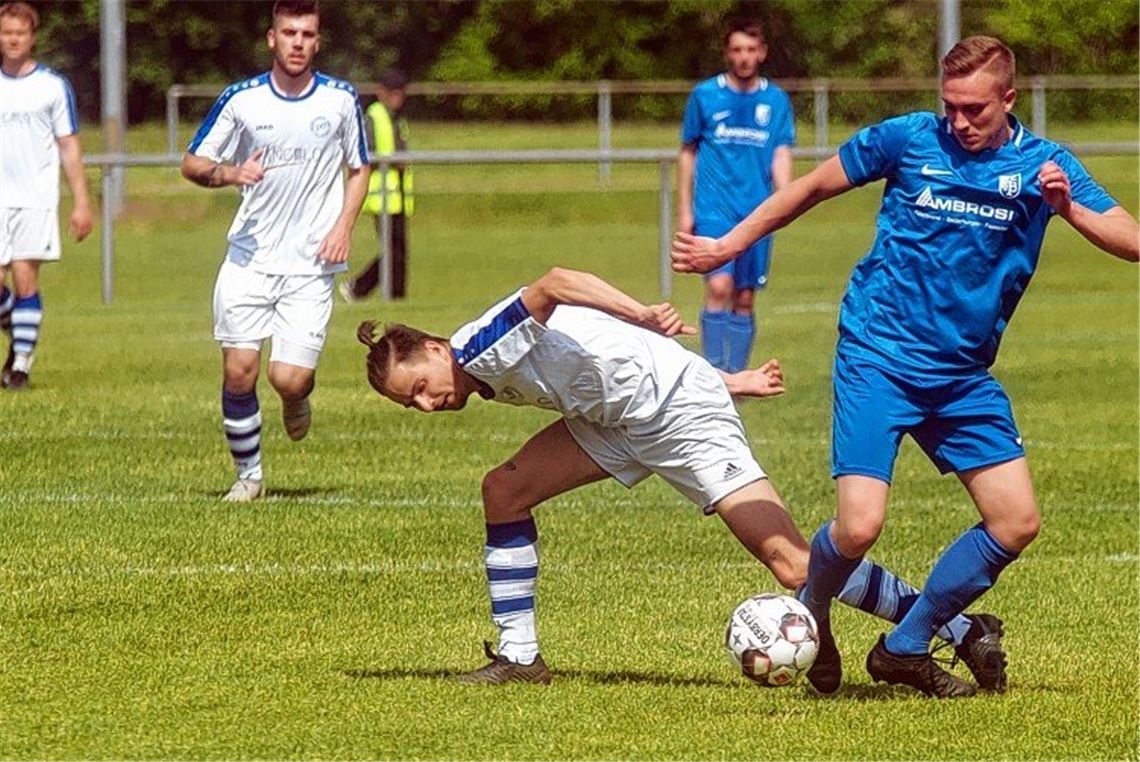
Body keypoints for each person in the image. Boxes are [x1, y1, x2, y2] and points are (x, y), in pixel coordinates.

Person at [671, 36, 1139, 698]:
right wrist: (729, 244)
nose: (959, 122)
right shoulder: (907, 140)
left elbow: (1132, 239)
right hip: (878, 356)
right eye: (949, 106)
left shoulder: (1045, 167)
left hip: (962, 376)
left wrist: (1068, 210)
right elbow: (809, 188)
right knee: (859, 525)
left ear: (1009, 99)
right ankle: (816, 614)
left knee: (1016, 521)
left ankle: (906, 646)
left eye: (975, 109)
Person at [356, 266, 1003, 687]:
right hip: (617, 421)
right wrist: (734, 381)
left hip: (680, 416)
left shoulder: (479, 348)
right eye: (408, 403)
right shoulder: (479, 375)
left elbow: (552, 283)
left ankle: (960, 628)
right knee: (503, 489)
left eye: (420, 387)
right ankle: (520, 656)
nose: (424, 404)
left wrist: (640, 311)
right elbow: (613, 363)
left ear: (438, 351)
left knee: (793, 564)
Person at [180, 0, 369, 502]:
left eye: (307, 34)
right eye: (289, 33)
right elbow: (193, 163)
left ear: (318, 41)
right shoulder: (242, 100)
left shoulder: (340, 99)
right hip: (249, 259)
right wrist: (231, 174)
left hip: (310, 264)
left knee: (287, 377)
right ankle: (250, 477)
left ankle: (296, 399)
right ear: (272, 38)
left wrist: (344, 226)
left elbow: (359, 168)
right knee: (239, 371)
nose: (298, 43)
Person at [678, 19, 794, 374]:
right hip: (714, 209)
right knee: (719, 287)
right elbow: (688, 151)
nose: (744, 57)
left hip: (756, 212)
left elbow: (781, 151)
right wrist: (685, 208)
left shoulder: (775, 100)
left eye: (750, 50)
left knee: (744, 297)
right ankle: (714, 375)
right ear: (727, 53)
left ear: (761, 53)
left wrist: (786, 200)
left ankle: (738, 379)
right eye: (737, 49)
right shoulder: (705, 95)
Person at [0, 1, 93, 390]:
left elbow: (68, 145)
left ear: (32, 37)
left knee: (25, 280)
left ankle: (20, 364)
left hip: (36, 197)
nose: (13, 39)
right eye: (6, 32)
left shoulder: (52, 86)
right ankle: (18, 335)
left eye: (20, 33)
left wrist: (82, 202)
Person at [340, 68, 413, 301]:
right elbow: (366, 152)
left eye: (401, 93)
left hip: (398, 194)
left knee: (398, 250)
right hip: (382, 194)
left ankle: (394, 294)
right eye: (393, 92)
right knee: (393, 250)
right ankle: (359, 288)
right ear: (381, 92)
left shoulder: (397, 119)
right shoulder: (374, 116)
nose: (398, 97)